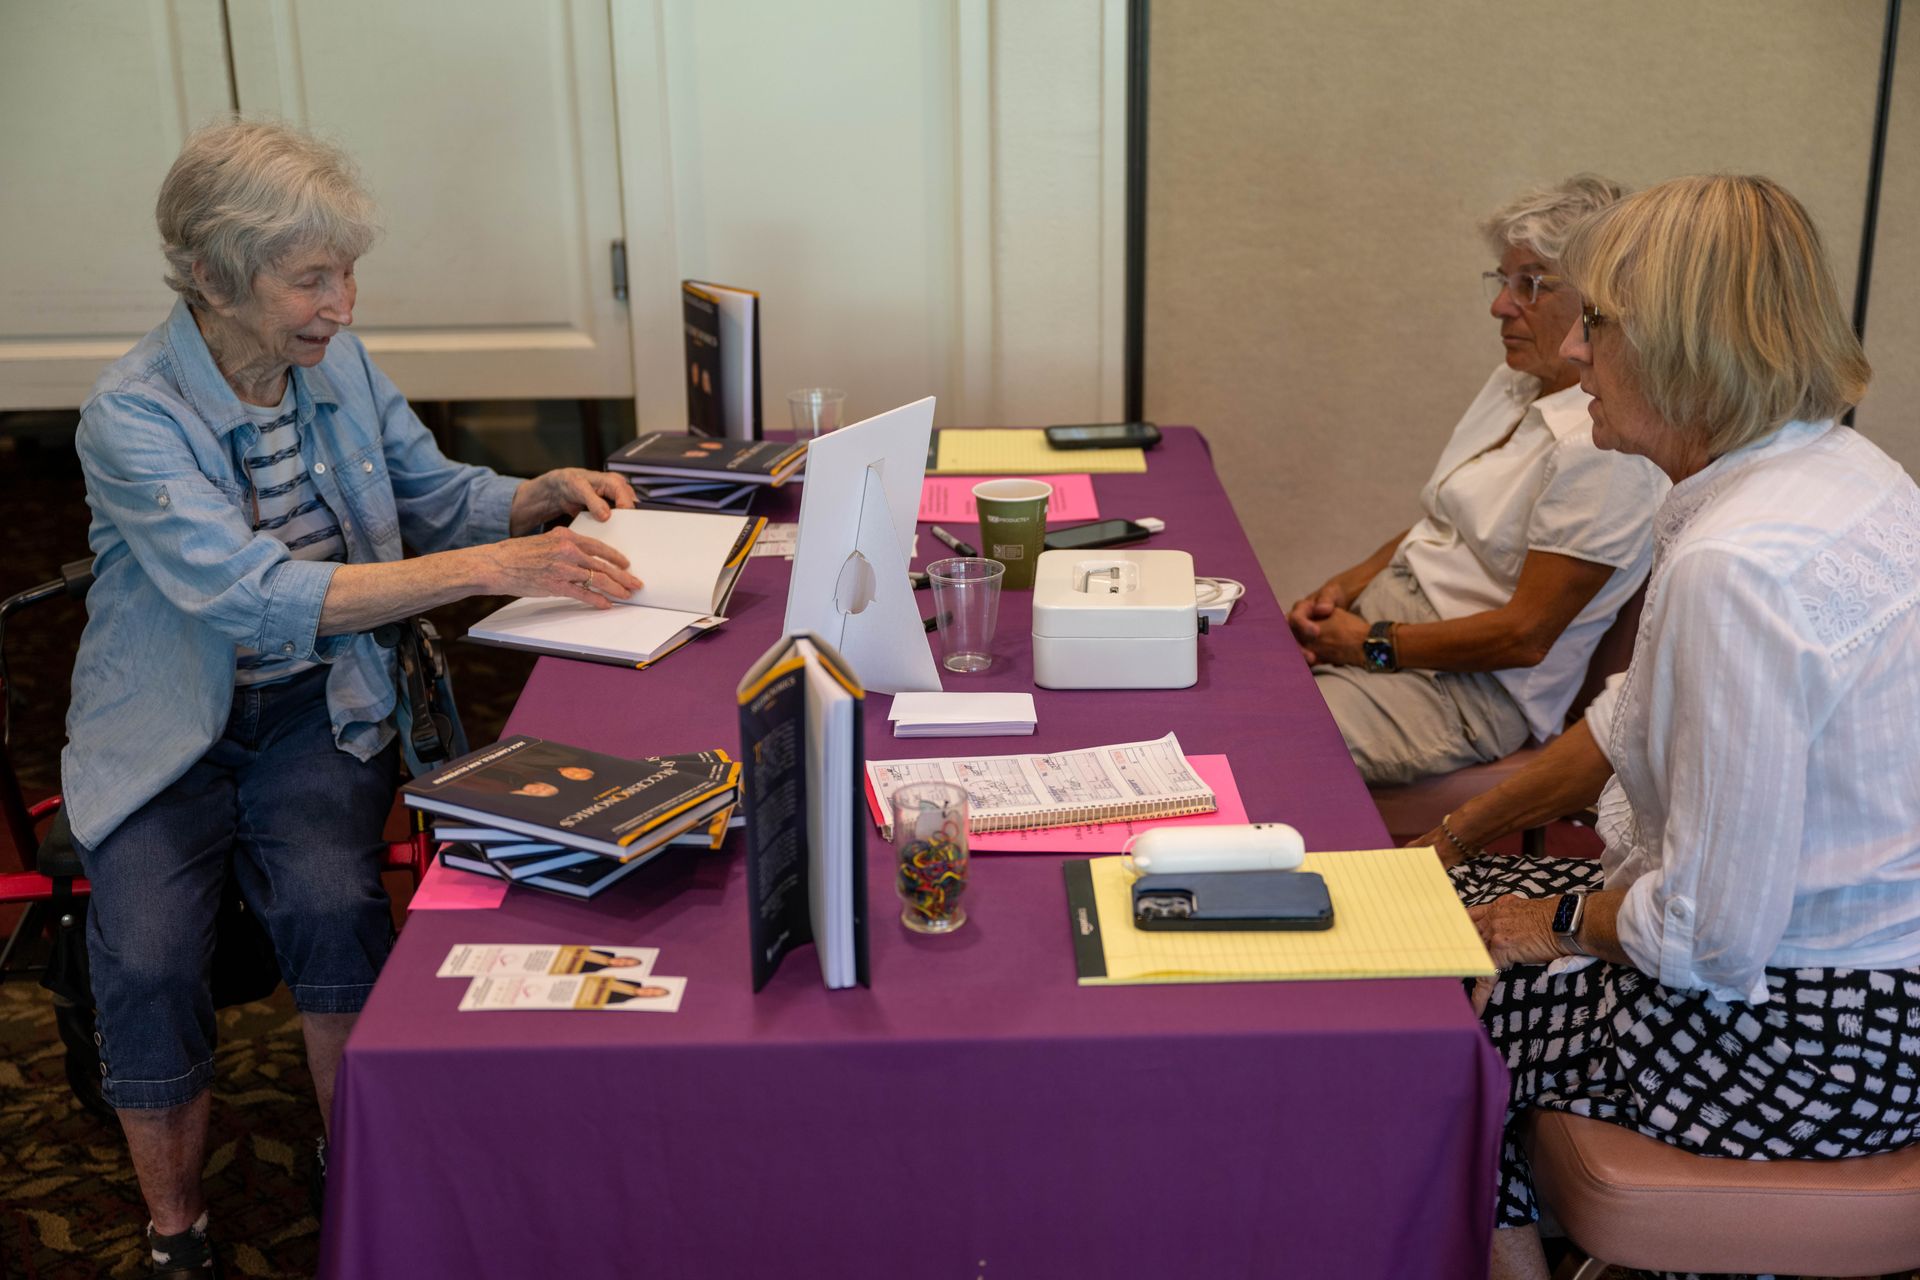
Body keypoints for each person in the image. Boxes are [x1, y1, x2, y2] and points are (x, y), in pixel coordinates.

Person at [64, 120, 648, 1278]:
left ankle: (357, 1170)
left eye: (346, 273)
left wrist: (533, 496)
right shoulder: (128, 414)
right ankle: (176, 1230)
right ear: (213, 277)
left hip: (319, 702)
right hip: (165, 725)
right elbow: (252, 594)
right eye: (311, 279)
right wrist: (489, 568)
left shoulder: (337, 362)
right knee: (139, 956)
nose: (342, 303)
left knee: (335, 903)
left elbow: (427, 491)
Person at [1411, 175, 1920, 1280]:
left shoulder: (1737, 563)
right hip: (1886, 1007)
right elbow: (1631, 719)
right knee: (1441, 912)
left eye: (1595, 321)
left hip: (1811, 1047)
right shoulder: (1837, 471)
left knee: (1438, 1026)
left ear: (1682, 343)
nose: (1577, 352)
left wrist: (1540, 914)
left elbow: (1709, 934)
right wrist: (1456, 840)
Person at [1288, 176, 1669, 787]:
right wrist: (1348, 585)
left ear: (1604, 300)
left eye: (1532, 284)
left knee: (1263, 751)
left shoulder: (1606, 448)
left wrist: (1368, 645)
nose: (1501, 305)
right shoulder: (1515, 380)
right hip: (1392, 626)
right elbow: (1444, 519)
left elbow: (1524, 637)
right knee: (1224, 686)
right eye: (1504, 280)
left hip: (1462, 691)